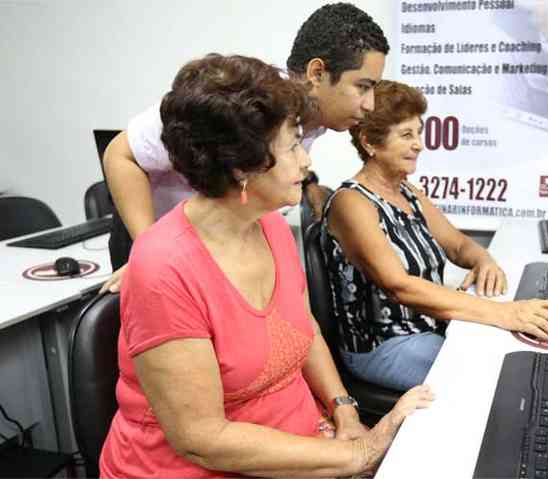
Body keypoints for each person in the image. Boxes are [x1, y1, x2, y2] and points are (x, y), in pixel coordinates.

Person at [99, 54, 433, 479]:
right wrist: (358, 454)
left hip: (296, 443)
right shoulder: (164, 267)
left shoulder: (270, 226)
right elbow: (202, 439)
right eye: (292, 144)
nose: (307, 162)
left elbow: (301, 326)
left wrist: (344, 410)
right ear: (242, 166)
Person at [100, 2, 389, 292]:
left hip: (212, 248)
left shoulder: (316, 122)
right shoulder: (244, 103)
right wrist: (150, 251)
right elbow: (119, 155)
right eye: (362, 87)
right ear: (317, 73)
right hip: (155, 242)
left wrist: (309, 185)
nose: (370, 104)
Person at [320, 80, 548, 392]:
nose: (419, 144)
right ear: (370, 142)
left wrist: (484, 261)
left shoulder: (407, 191)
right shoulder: (351, 202)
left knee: (512, 347)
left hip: (431, 328)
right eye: (406, 135)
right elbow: (399, 286)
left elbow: (457, 245)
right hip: (384, 346)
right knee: (501, 371)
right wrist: (505, 313)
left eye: (419, 132)